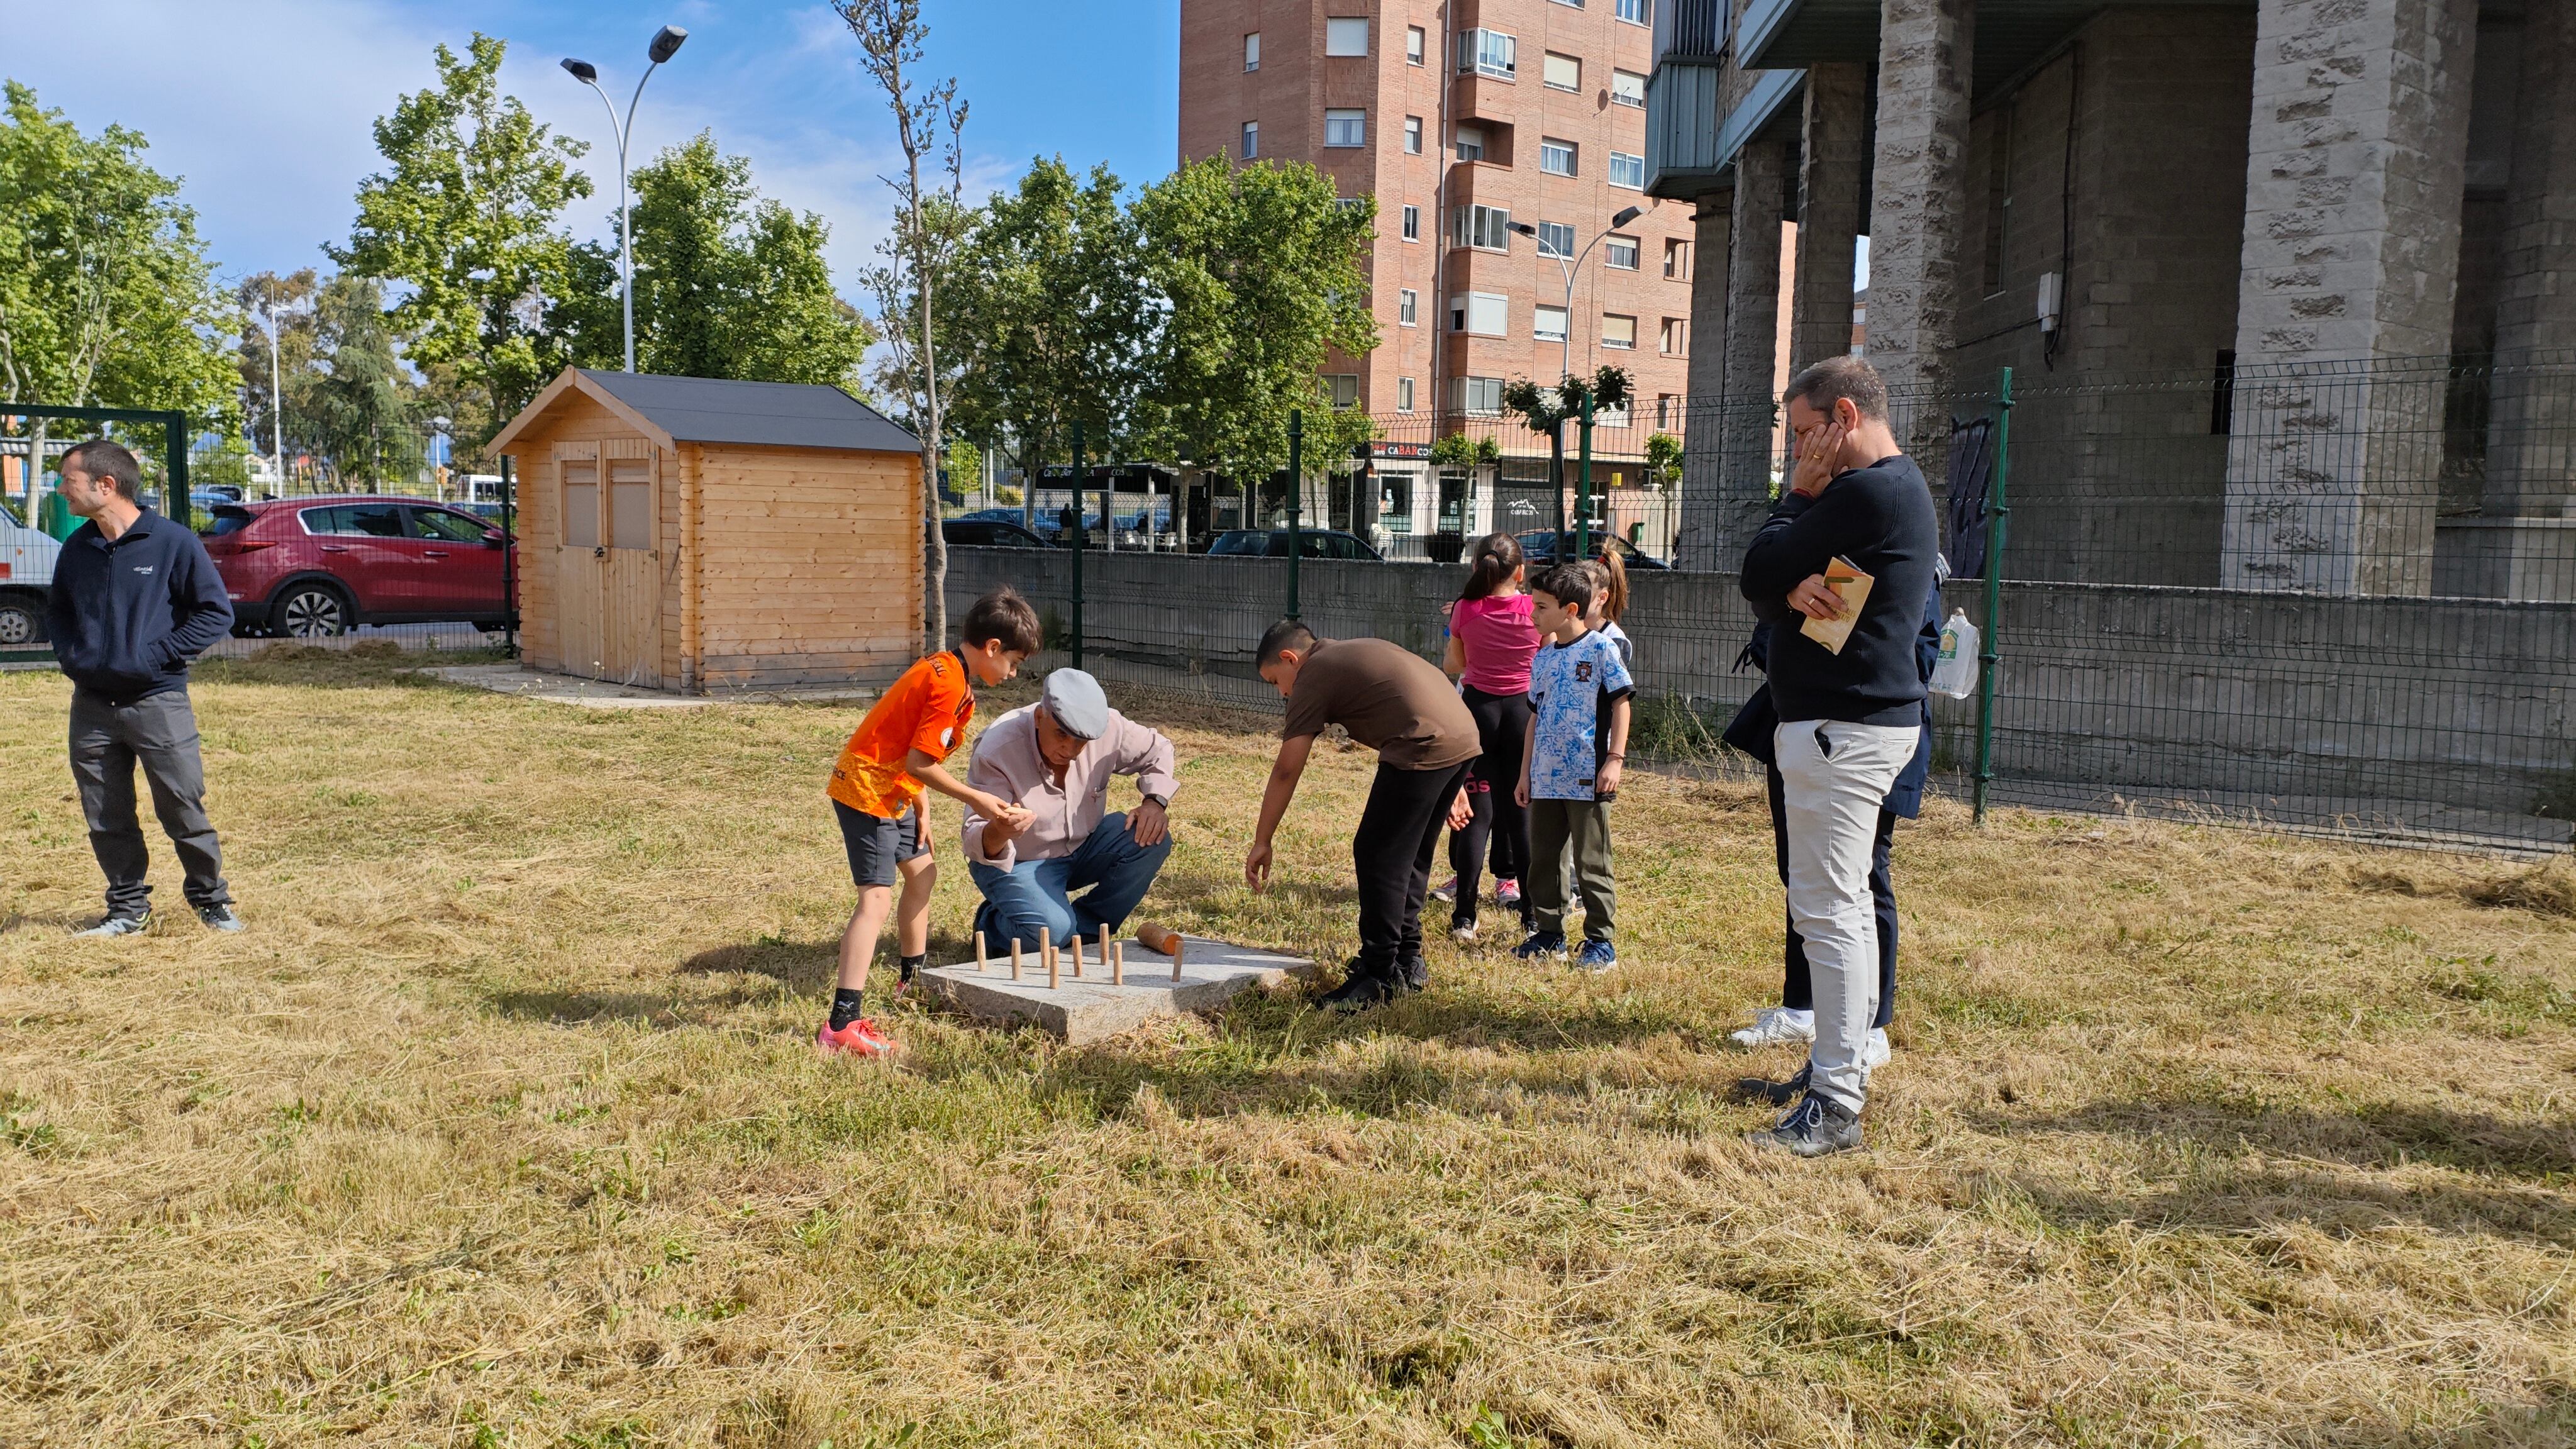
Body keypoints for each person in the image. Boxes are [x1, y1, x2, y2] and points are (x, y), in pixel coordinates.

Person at [1736, 355, 1940, 1158]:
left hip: (1842, 728)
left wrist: (1798, 499)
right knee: (1833, 907)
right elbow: (1768, 583)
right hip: (1845, 725)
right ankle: (1832, 1069)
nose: (1797, 452)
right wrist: (1788, 590)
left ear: (1843, 418)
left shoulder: (1866, 490)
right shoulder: (1887, 493)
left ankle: (1837, 1099)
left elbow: (1754, 563)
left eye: (1802, 434)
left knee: (1830, 911)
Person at [1723, 564, 1948, 1096]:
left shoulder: (1901, 553)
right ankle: (1803, 1006)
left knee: (1863, 877)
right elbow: (1771, 621)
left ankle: (1871, 1027)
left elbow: (1919, 652)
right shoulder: (1820, 547)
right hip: (1800, 719)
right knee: (1805, 872)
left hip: (1865, 733)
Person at [817, 587, 1041, 1058]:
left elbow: (905, 742)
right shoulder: (948, 685)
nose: (1015, 673)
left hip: (896, 790)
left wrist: (919, 800)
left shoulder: (948, 673)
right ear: (993, 648)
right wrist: (978, 799)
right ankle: (843, 1023)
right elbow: (919, 761)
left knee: (923, 873)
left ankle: (911, 981)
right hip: (868, 789)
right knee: (875, 901)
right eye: (1015, 662)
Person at [46, 439, 242, 936]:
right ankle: (127, 910)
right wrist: (76, 661)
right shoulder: (78, 546)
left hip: (158, 701)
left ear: (105, 485)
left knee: (182, 805)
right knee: (106, 814)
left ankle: (210, 901)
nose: (60, 488)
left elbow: (216, 614)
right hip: (92, 705)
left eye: (68, 480)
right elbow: (60, 614)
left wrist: (152, 658)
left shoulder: (172, 542)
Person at [1246, 621, 1479, 1011]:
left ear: (1290, 659)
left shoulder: (1313, 674)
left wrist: (1263, 840)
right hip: (1461, 735)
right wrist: (1450, 780)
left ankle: (1378, 973)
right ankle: (1407, 960)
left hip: (1424, 743)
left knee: (1377, 853)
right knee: (1411, 855)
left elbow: (1287, 768)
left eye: (1275, 682)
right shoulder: (1343, 653)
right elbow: (1406, 699)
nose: (1283, 693)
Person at [963, 667, 1180, 950]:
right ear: (1040, 718)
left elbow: (1159, 749)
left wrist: (1155, 802)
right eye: (1061, 735)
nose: (1071, 749)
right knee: (1050, 933)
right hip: (1017, 862)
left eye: (1082, 742)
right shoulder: (998, 747)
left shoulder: (1108, 727)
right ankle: (991, 925)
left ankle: (1085, 932)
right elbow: (975, 840)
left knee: (1152, 838)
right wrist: (1000, 830)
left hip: (1081, 848)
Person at [1512, 563, 1635, 972]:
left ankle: (1601, 942)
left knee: (1592, 860)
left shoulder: (1601, 649)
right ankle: (1549, 934)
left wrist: (1614, 760)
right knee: (1544, 858)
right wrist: (1525, 772)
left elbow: (1622, 704)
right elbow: (1534, 717)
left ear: (1569, 610)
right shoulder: (1543, 658)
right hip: (1545, 777)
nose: (1532, 614)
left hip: (1588, 777)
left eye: (1541, 607)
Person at [1430, 533, 1541, 943]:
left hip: (1476, 713)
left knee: (1475, 817)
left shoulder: (1464, 609)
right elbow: (1546, 654)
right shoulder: (1534, 608)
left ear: (1477, 568)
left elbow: (1455, 663)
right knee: (1520, 819)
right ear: (1521, 572)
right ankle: (1531, 917)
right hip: (1521, 716)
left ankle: (1464, 917)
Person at [1588, 545, 1634, 669]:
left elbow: (1615, 686)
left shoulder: (1616, 641)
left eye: (1584, 591)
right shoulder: (1574, 633)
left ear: (1602, 598)